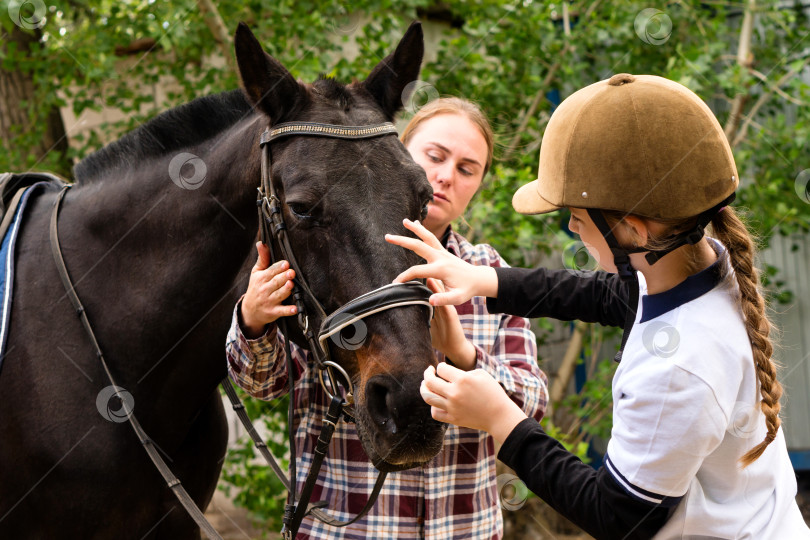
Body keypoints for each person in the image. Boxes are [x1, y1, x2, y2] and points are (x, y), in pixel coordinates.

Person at [387, 74, 810, 539]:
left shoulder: (678, 366)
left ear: (633, 231)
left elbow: (614, 516)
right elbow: (604, 294)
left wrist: (500, 417)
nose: (571, 226)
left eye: (579, 217)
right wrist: (483, 280)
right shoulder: (695, 265)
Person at [226, 97, 548, 539]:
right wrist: (253, 320)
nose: (445, 176)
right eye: (434, 157)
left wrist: (463, 353)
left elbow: (533, 404)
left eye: (467, 169)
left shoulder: (490, 273)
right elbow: (262, 385)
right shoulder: (328, 254)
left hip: (462, 529)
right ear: (395, 154)